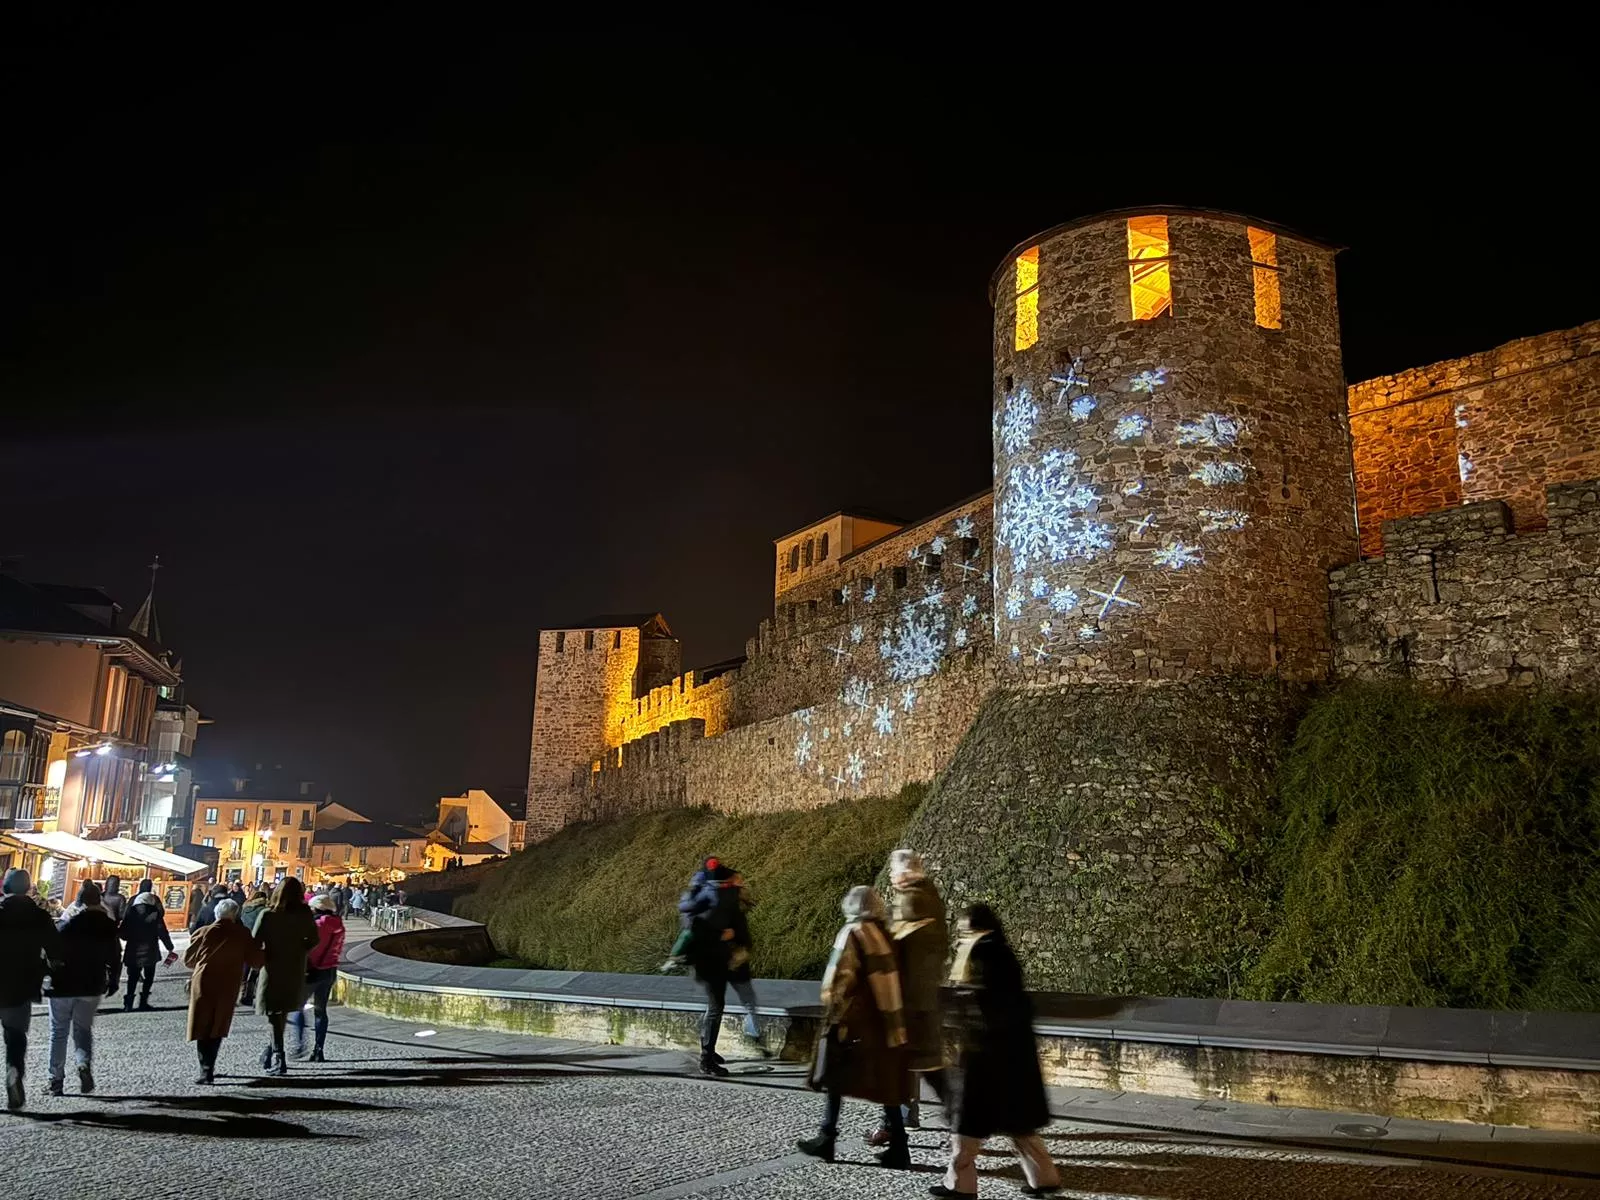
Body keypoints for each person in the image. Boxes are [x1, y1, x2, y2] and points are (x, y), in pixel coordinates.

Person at [931, 903, 1060, 1200]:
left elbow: (978, 1004)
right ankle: (1045, 1179)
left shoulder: (979, 954)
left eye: (964, 928)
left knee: (968, 1125)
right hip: (1013, 1056)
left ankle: (959, 1184)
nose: (960, 935)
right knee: (1019, 1125)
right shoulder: (1002, 952)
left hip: (984, 1057)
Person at [797, 885, 911, 1169]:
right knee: (887, 1087)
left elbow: (843, 979)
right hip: (882, 1022)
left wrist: (833, 1011)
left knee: (834, 1079)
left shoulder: (853, 933)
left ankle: (827, 1137)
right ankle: (899, 1147)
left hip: (853, 1023)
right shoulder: (884, 933)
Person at [868, 848, 948, 1145]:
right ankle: (909, 1117)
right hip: (922, 996)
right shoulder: (928, 897)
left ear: (905, 874)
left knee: (899, 1063)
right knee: (923, 1063)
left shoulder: (912, 901)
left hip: (909, 999)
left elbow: (894, 949)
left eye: (894, 870)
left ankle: (894, 1122)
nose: (890, 876)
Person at [45, 881, 120, 1096]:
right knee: (83, 1031)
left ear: (80, 900)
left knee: (58, 1033)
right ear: (99, 900)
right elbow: (115, 956)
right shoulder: (108, 925)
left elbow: (54, 950)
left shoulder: (71, 923)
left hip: (64, 984)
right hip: (92, 984)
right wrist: (113, 980)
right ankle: (83, 1063)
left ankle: (55, 1080)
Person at [1, 868, 63, 1110]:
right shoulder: (39, 916)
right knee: (15, 1037)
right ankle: (14, 1072)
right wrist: (50, 969)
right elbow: (56, 951)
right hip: (21, 984)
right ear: (27, 887)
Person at [184, 898, 264, 1084]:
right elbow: (256, 960)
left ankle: (205, 1068)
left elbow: (188, 960)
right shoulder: (242, 934)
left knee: (201, 1023)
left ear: (216, 914)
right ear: (235, 914)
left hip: (203, 982)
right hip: (228, 984)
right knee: (218, 1024)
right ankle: (210, 1067)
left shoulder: (204, 932)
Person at [253, 876, 318, 1075]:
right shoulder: (305, 913)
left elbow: (255, 941)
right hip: (294, 968)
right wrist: (300, 951)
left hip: (273, 967)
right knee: (282, 1013)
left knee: (274, 1013)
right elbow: (315, 939)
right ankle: (271, 1051)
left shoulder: (268, 915)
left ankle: (279, 1059)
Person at [683, 863, 744, 1077]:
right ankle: (706, 1058)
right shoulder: (713, 901)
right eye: (736, 881)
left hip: (709, 961)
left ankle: (708, 1050)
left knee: (714, 1007)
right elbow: (702, 932)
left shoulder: (705, 897)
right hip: (709, 963)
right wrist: (723, 936)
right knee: (716, 1007)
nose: (740, 884)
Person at [289, 893, 346, 1061]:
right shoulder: (339, 925)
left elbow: (306, 947)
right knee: (321, 1011)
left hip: (312, 971)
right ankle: (318, 1050)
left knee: (298, 1006)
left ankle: (300, 1044)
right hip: (330, 971)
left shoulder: (316, 925)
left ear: (316, 909)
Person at [118, 878, 176, 1011]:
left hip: (133, 947)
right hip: (150, 948)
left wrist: (127, 937)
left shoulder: (132, 909)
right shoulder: (155, 910)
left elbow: (123, 931)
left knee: (132, 977)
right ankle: (143, 1002)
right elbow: (161, 930)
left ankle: (128, 1003)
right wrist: (169, 946)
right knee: (149, 975)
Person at [662, 857, 718, 972]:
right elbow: (686, 905)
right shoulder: (701, 882)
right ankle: (675, 959)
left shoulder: (712, 884)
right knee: (688, 935)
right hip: (697, 921)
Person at [237, 884, 269, 1005]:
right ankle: (248, 995)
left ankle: (241, 991)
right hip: (257, 942)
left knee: (245, 968)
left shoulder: (245, 909)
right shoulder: (263, 911)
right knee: (255, 969)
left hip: (244, 940)